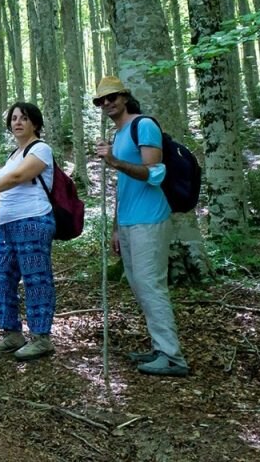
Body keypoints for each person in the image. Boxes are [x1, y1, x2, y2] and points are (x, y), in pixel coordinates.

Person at [94, 76, 189, 377]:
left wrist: (115, 161)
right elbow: (122, 188)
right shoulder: (119, 133)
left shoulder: (144, 125)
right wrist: (115, 228)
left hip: (150, 218)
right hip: (129, 222)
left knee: (151, 286)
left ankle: (172, 357)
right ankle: (160, 347)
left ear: (125, 97)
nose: (107, 104)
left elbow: (154, 172)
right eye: (101, 100)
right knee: (139, 286)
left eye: (112, 97)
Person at [0, 102, 56, 360]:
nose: (17, 122)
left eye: (23, 118)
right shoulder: (15, 154)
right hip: (9, 225)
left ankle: (41, 336)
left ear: (34, 123)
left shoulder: (41, 150)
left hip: (33, 220)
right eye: (14, 118)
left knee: (36, 278)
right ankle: (12, 332)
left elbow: (17, 179)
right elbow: (6, 189)